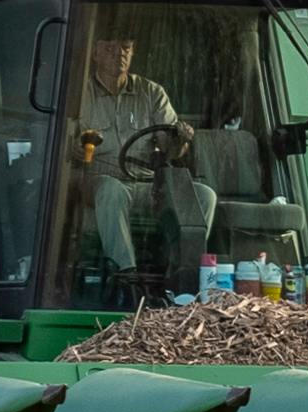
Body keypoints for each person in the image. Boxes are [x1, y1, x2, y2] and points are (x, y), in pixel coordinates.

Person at [71, 26, 216, 281]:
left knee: (204, 195)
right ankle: (126, 274)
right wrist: (74, 149)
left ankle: (184, 272)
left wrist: (180, 140)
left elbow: (171, 150)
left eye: (125, 48)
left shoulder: (152, 93)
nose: (119, 55)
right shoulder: (78, 93)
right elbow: (65, 144)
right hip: (97, 181)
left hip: (148, 183)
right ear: (95, 53)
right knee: (111, 190)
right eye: (110, 49)